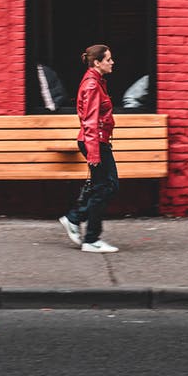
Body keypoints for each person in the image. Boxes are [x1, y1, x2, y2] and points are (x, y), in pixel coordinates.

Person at [58, 44, 120, 253]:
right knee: (105, 187)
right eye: (108, 59)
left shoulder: (96, 81)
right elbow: (90, 121)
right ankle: (91, 238)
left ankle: (75, 219)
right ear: (97, 62)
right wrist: (94, 153)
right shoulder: (93, 85)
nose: (112, 63)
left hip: (97, 141)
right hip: (94, 142)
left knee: (105, 186)